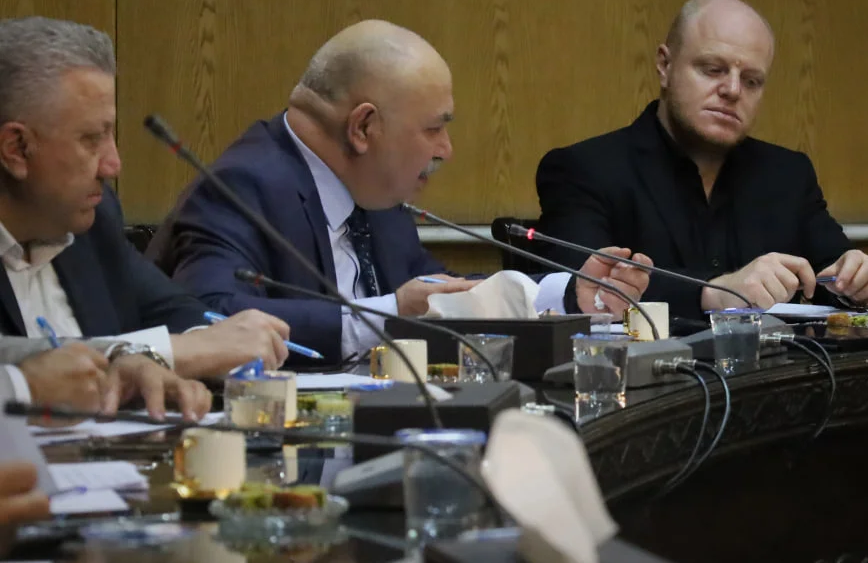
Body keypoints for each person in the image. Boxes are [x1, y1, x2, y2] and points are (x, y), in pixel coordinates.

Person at [150, 20, 651, 362]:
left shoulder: (372, 189)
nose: (446, 149)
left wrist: (567, 293)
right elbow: (207, 316)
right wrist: (389, 315)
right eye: (434, 128)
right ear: (364, 128)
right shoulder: (243, 185)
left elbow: (436, 292)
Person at [535, 0, 868, 322]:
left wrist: (863, 283)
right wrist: (714, 292)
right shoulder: (583, 169)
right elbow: (577, 286)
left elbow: (836, 270)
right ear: (664, 65)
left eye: (751, 81)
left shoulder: (787, 175)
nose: (732, 90)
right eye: (712, 69)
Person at [0, 16, 288, 416]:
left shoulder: (90, 220)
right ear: (16, 148)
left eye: (111, 134)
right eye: (91, 139)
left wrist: (214, 344)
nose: (113, 164)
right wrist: (169, 352)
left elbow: (175, 309)